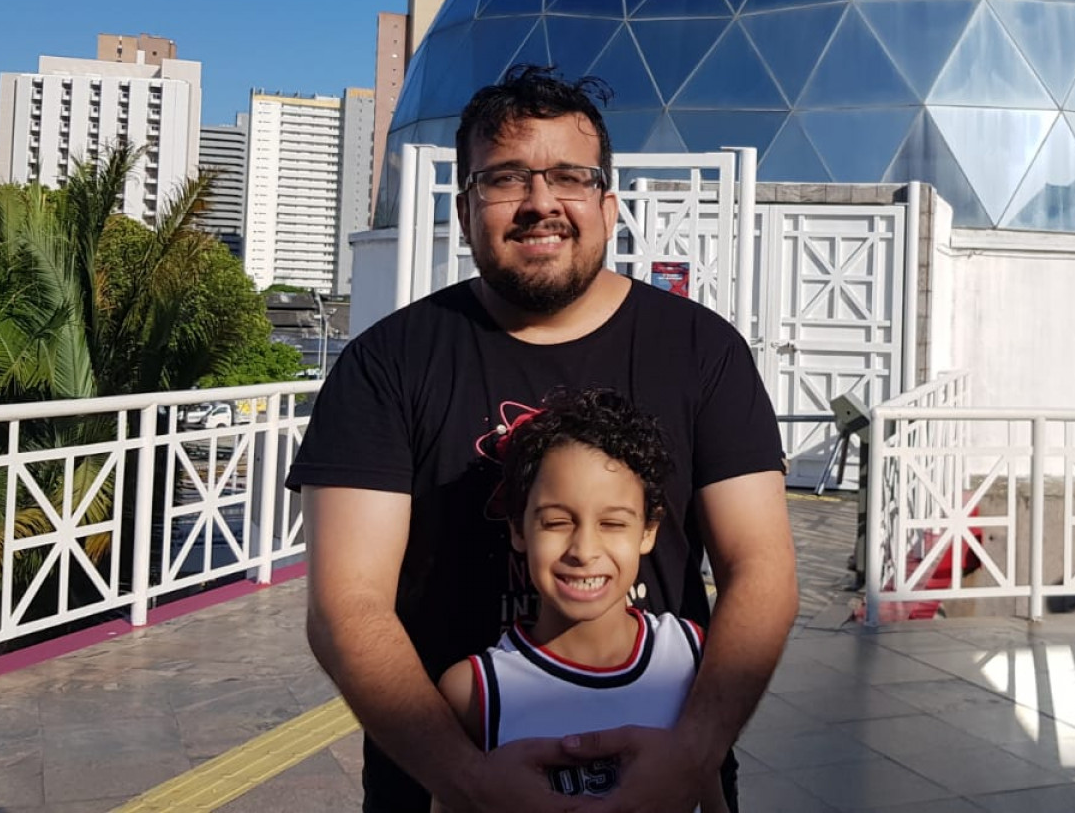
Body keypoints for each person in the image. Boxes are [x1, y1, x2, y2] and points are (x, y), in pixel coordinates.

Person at [288, 63, 797, 813]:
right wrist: (468, 781)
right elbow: (347, 607)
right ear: (464, 211)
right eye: (504, 179)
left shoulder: (700, 350)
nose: (540, 204)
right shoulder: (387, 364)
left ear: (609, 204)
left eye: (569, 177)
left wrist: (690, 759)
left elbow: (762, 568)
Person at [434, 388, 726, 813]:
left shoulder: (694, 657)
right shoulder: (472, 692)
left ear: (648, 531)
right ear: (518, 528)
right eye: (556, 521)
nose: (583, 549)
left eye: (612, 523)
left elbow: (711, 794)